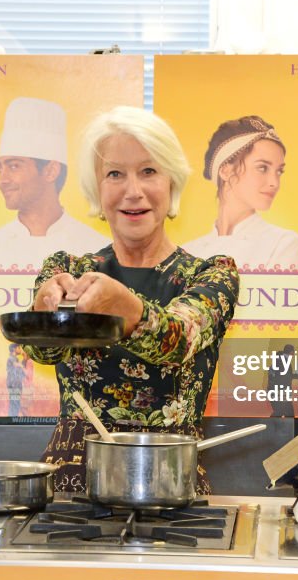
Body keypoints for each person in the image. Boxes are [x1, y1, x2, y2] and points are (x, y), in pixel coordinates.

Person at [24, 106, 240, 494]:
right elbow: (43, 353)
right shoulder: (66, 268)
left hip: (171, 483)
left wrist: (123, 305)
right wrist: (44, 312)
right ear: (97, 188)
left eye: (148, 171)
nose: (133, 191)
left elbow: (178, 338)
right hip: (73, 483)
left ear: (172, 181)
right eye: (115, 174)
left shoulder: (212, 274)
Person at [0, 97, 109, 269]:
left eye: (14, 166)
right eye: (0, 168)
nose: (2, 180)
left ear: (51, 171)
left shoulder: (97, 250)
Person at [182, 116, 298, 270]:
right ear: (226, 171)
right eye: (262, 168)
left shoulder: (284, 243)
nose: (275, 182)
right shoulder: (188, 253)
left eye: (279, 171)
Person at [266, 344, 296, 417]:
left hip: (275, 390)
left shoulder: (274, 366)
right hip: (280, 391)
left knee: (281, 411)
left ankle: (272, 425)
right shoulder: (282, 362)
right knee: (285, 412)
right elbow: (283, 378)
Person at [5, 343, 27, 417]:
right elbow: (20, 367)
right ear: (14, 349)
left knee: (15, 403)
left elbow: (21, 369)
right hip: (14, 385)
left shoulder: (15, 359)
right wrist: (24, 359)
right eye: (19, 348)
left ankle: (12, 420)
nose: (20, 349)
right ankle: (12, 421)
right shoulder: (11, 359)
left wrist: (24, 359)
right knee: (15, 403)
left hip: (16, 385)